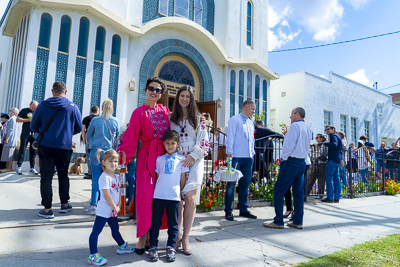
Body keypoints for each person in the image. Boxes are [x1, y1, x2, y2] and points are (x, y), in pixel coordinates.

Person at [118, 77, 170, 254]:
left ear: (162, 94)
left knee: (160, 199)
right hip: (147, 158)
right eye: (151, 88)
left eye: (158, 90)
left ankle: (152, 237)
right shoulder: (138, 113)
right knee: (145, 198)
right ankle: (142, 237)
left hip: (164, 160)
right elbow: (131, 138)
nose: (154, 92)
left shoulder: (165, 111)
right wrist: (120, 159)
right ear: (145, 90)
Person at [31, 81, 82, 219]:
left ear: (52, 91)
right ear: (65, 92)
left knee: (46, 176)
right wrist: (66, 132)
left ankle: (48, 209)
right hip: (64, 146)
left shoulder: (42, 106)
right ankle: (64, 204)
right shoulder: (72, 107)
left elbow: (33, 125)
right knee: (63, 175)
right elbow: (78, 127)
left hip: (46, 146)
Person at [169, 86, 209, 255]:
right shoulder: (172, 120)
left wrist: (192, 157)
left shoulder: (199, 119)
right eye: (182, 96)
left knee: (191, 199)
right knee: (178, 199)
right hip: (178, 161)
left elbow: (204, 143)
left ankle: (186, 237)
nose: (184, 99)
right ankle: (177, 235)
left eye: (187, 96)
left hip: (194, 161)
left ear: (192, 99)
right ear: (178, 98)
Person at [264, 107, 312, 230]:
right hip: (302, 161)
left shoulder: (295, 126)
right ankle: (298, 221)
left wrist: (282, 159)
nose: (290, 117)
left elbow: (289, 146)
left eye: (291, 114)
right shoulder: (307, 127)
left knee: (279, 189)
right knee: (298, 192)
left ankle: (278, 221)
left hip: (291, 161)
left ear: (297, 114)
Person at [87, 149, 135, 266]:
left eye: (115, 161)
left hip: (112, 211)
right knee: (96, 232)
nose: (113, 164)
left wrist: (118, 205)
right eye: (110, 161)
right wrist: (114, 205)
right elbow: (107, 194)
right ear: (103, 162)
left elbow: (118, 191)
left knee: (115, 229)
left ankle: (122, 246)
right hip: (104, 210)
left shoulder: (116, 176)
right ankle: (93, 255)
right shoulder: (104, 177)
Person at [148, 130, 190, 262]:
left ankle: (171, 247)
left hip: (174, 196)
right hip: (159, 195)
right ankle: (153, 246)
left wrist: (182, 192)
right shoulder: (159, 159)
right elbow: (158, 176)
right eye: (167, 143)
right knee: (155, 222)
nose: (170, 146)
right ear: (164, 144)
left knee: (173, 224)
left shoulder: (182, 160)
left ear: (178, 144)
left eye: (173, 143)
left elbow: (182, 178)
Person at [84, 99, 119, 215]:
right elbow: (117, 138)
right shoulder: (116, 121)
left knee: (96, 178)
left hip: (96, 150)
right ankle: (110, 202)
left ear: (102, 108)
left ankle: (94, 203)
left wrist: (89, 145)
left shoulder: (95, 120)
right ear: (112, 108)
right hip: (109, 152)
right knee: (110, 178)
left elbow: (88, 135)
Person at [225, 100, 257, 221]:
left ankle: (243, 209)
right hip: (236, 156)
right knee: (231, 184)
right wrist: (229, 153)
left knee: (245, 185)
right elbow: (231, 136)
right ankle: (228, 210)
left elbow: (252, 140)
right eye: (253, 109)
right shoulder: (235, 119)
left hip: (248, 157)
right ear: (246, 106)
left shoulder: (250, 122)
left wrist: (252, 153)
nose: (254, 111)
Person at [321, 125, 343, 203]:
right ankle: (337, 198)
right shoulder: (337, 136)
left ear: (333, 129)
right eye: (326, 130)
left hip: (333, 160)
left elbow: (334, 145)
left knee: (329, 178)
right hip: (337, 160)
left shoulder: (334, 136)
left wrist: (325, 143)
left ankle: (330, 197)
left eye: (328, 129)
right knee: (336, 179)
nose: (327, 131)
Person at [16, 101, 39, 175]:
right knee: (22, 149)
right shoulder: (24, 110)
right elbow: (18, 119)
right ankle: (19, 167)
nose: (33, 109)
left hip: (34, 134)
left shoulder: (38, 112)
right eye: (32, 107)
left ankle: (32, 168)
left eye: (35, 108)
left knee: (33, 152)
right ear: (30, 105)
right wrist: (27, 120)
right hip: (25, 134)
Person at [81, 105, 100, 179]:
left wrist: (84, 139)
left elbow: (83, 130)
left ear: (91, 110)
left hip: (89, 140)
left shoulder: (86, 118)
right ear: (97, 111)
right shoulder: (99, 119)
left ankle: (90, 172)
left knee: (89, 157)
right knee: (98, 156)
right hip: (98, 140)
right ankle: (97, 172)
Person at [0, 107, 19, 173]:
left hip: (10, 140)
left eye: (10, 110)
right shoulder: (11, 119)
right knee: (8, 153)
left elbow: (11, 129)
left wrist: (7, 138)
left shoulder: (13, 119)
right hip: (9, 139)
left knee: (9, 153)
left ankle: (9, 167)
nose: (9, 111)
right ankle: (8, 167)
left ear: (13, 112)